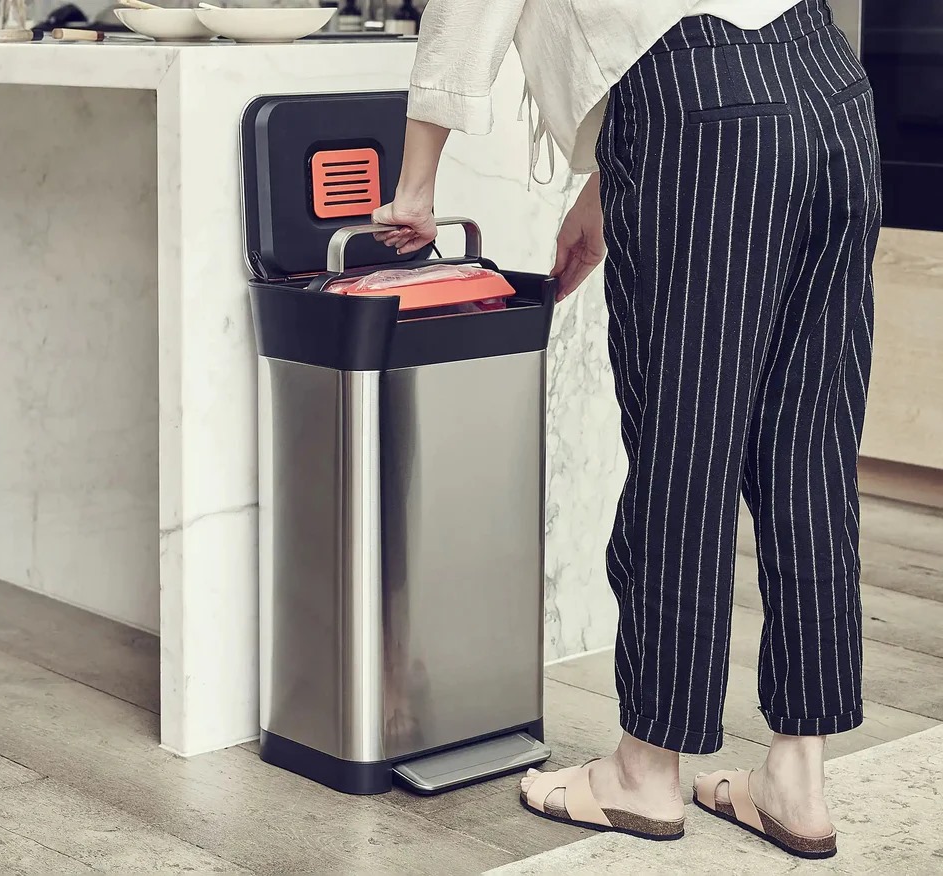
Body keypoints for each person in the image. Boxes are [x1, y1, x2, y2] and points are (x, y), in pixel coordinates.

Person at [372, 0, 880, 861]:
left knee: (685, 448)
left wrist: (416, 185)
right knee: (811, 450)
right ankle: (798, 779)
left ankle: (645, 769)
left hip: (700, 106)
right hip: (829, 90)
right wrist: (609, 185)